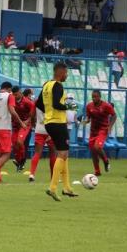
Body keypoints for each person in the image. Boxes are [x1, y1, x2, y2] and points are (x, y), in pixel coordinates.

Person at [35, 62, 78, 201]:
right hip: (58, 123)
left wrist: (49, 113)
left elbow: (38, 104)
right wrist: (69, 106)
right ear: (60, 72)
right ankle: (53, 188)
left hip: (48, 122)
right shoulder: (58, 85)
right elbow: (56, 104)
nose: (66, 75)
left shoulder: (47, 84)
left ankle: (67, 188)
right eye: (66, 73)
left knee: (63, 153)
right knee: (63, 154)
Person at [83, 89, 116, 176]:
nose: (94, 98)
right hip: (93, 131)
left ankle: (106, 161)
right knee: (93, 152)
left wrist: (110, 126)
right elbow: (88, 118)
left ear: (100, 97)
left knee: (97, 147)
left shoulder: (106, 106)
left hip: (103, 129)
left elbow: (114, 115)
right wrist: (86, 121)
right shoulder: (89, 106)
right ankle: (97, 171)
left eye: (95, 97)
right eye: (92, 97)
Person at [28, 105, 56, 182]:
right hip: (51, 130)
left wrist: (34, 125)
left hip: (39, 129)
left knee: (37, 153)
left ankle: (32, 174)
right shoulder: (53, 100)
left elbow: (32, 115)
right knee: (53, 154)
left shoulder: (37, 101)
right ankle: (53, 177)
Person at [11, 86, 34, 172]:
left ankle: (22, 161)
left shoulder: (27, 102)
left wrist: (28, 121)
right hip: (16, 125)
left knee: (20, 142)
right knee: (14, 144)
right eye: (14, 95)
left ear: (20, 92)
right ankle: (18, 161)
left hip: (25, 125)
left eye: (16, 94)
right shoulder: (12, 101)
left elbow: (33, 113)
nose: (15, 96)